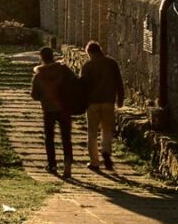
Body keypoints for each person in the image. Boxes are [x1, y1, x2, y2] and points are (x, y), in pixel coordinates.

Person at [30, 46, 75, 178]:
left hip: (48, 110)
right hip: (64, 108)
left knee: (49, 137)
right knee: (66, 137)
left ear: (42, 58)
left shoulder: (39, 75)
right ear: (53, 56)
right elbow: (74, 82)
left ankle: (52, 164)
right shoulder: (64, 70)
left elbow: (34, 95)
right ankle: (67, 162)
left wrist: (45, 96)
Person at [80, 40, 124, 171]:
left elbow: (83, 85)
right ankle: (106, 151)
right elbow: (119, 82)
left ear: (89, 53)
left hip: (92, 103)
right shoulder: (112, 63)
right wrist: (120, 99)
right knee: (107, 129)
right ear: (100, 50)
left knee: (92, 132)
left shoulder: (87, 66)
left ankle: (94, 161)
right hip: (108, 102)